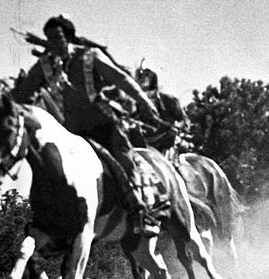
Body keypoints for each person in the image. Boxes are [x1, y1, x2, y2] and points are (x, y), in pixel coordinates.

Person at [10, 15, 168, 236]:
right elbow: (23, 93)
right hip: (72, 133)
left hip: (103, 125)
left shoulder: (89, 57)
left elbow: (121, 78)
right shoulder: (45, 66)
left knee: (123, 159)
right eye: (50, 38)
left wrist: (143, 100)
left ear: (69, 38)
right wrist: (5, 102)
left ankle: (141, 213)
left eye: (58, 37)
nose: (54, 43)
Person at [133, 65, 190, 155]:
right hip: (141, 144)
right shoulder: (134, 102)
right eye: (140, 75)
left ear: (153, 78)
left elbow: (184, 121)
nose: (143, 77)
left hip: (166, 144)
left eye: (147, 74)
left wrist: (176, 127)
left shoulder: (170, 101)